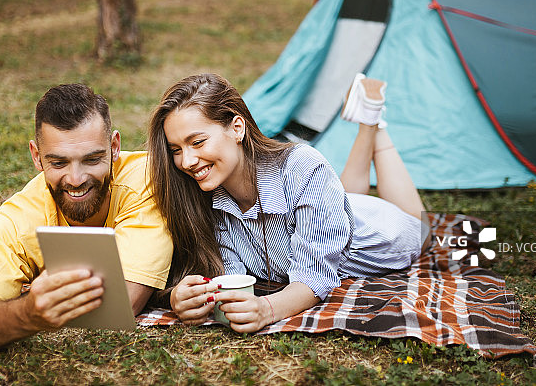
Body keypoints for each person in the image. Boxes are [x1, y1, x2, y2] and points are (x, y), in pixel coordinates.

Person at [147, 73, 430, 333]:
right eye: (176, 150)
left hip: (383, 230)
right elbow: (229, 275)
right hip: (335, 208)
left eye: (197, 142)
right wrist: (181, 297)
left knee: (422, 227)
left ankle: (374, 124)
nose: (186, 161)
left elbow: (315, 276)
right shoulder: (206, 197)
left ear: (236, 128)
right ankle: (369, 121)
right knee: (340, 194)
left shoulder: (303, 166)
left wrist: (266, 309)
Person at [0, 84, 173, 350]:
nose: (76, 180)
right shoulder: (19, 218)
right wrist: (27, 313)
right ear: (37, 157)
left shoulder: (147, 181)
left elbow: (124, 300)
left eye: (92, 159)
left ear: (114, 147)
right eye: (59, 163)